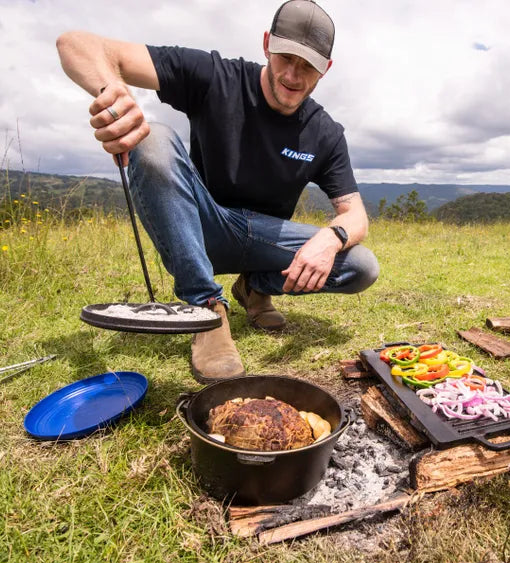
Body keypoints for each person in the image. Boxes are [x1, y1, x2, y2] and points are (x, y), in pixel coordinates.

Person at [56, 0, 379, 383]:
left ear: (326, 68)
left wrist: (330, 238)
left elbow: (355, 214)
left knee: (360, 266)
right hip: (204, 224)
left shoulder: (325, 132)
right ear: (266, 45)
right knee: (153, 138)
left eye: (308, 64)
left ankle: (255, 286)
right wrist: (114, 92)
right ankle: (206, 310)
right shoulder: (214, 76)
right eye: (285, 57)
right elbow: (75, 43)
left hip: (264, 237)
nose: (293, 75)